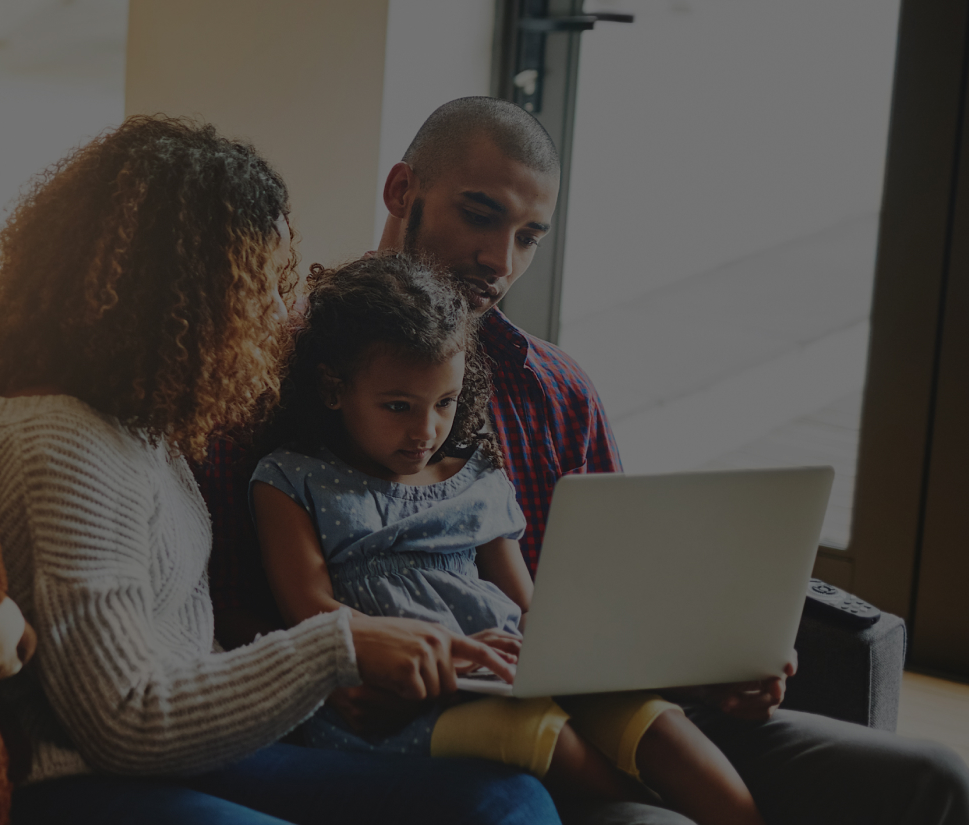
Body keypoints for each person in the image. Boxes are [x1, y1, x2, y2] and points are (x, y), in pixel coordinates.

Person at [201, 96, 969, 825]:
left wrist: (710, 664)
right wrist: (341, 670)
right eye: (480, 214)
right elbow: (223, 610)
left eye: (530, 236)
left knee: (934, 778)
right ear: (404, 189)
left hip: (617, 705)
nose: (499, 259)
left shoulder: (557, 390)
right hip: (442, 729)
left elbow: (606, 605)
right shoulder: (268, 380)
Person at [0, 114, 558, 824]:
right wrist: (339, 644)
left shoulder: (136, 420)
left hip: (193, 751)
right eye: (262, 286)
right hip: (82, 781)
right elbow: (121, 720)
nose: (281, 312)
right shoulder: (56, 447)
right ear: (179, 298)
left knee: (505, 800)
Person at [254, 253, 764, 825]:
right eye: (397, 407)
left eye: (443, 404)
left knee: (659, 727)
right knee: (537, 734)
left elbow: (526, 609)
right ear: (332, 388)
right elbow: (312, 613)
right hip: (398, 703)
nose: (425, 431)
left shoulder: (477, 477)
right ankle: (654, 813)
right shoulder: (291, 478)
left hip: (506, 675)